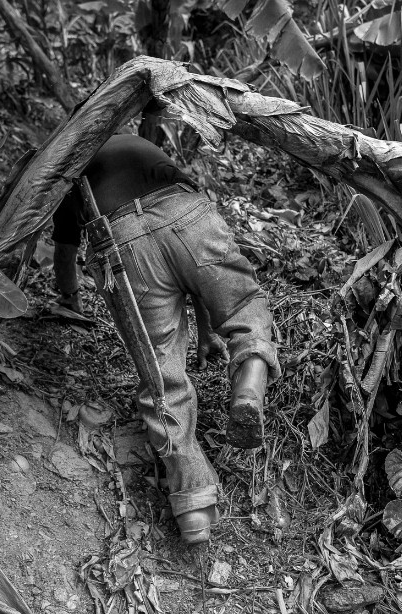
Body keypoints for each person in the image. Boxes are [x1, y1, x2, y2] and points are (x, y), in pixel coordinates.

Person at [49, 133, 280, 544]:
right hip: (187, 212)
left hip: (122, 239)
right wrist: (211, 330)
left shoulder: (70, 164)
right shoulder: (137, 141)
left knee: (162, 376)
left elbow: (66, 251)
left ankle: (193, 505)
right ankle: (249, 381)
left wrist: (69, 298)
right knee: (244, 305)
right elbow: (193, 270)